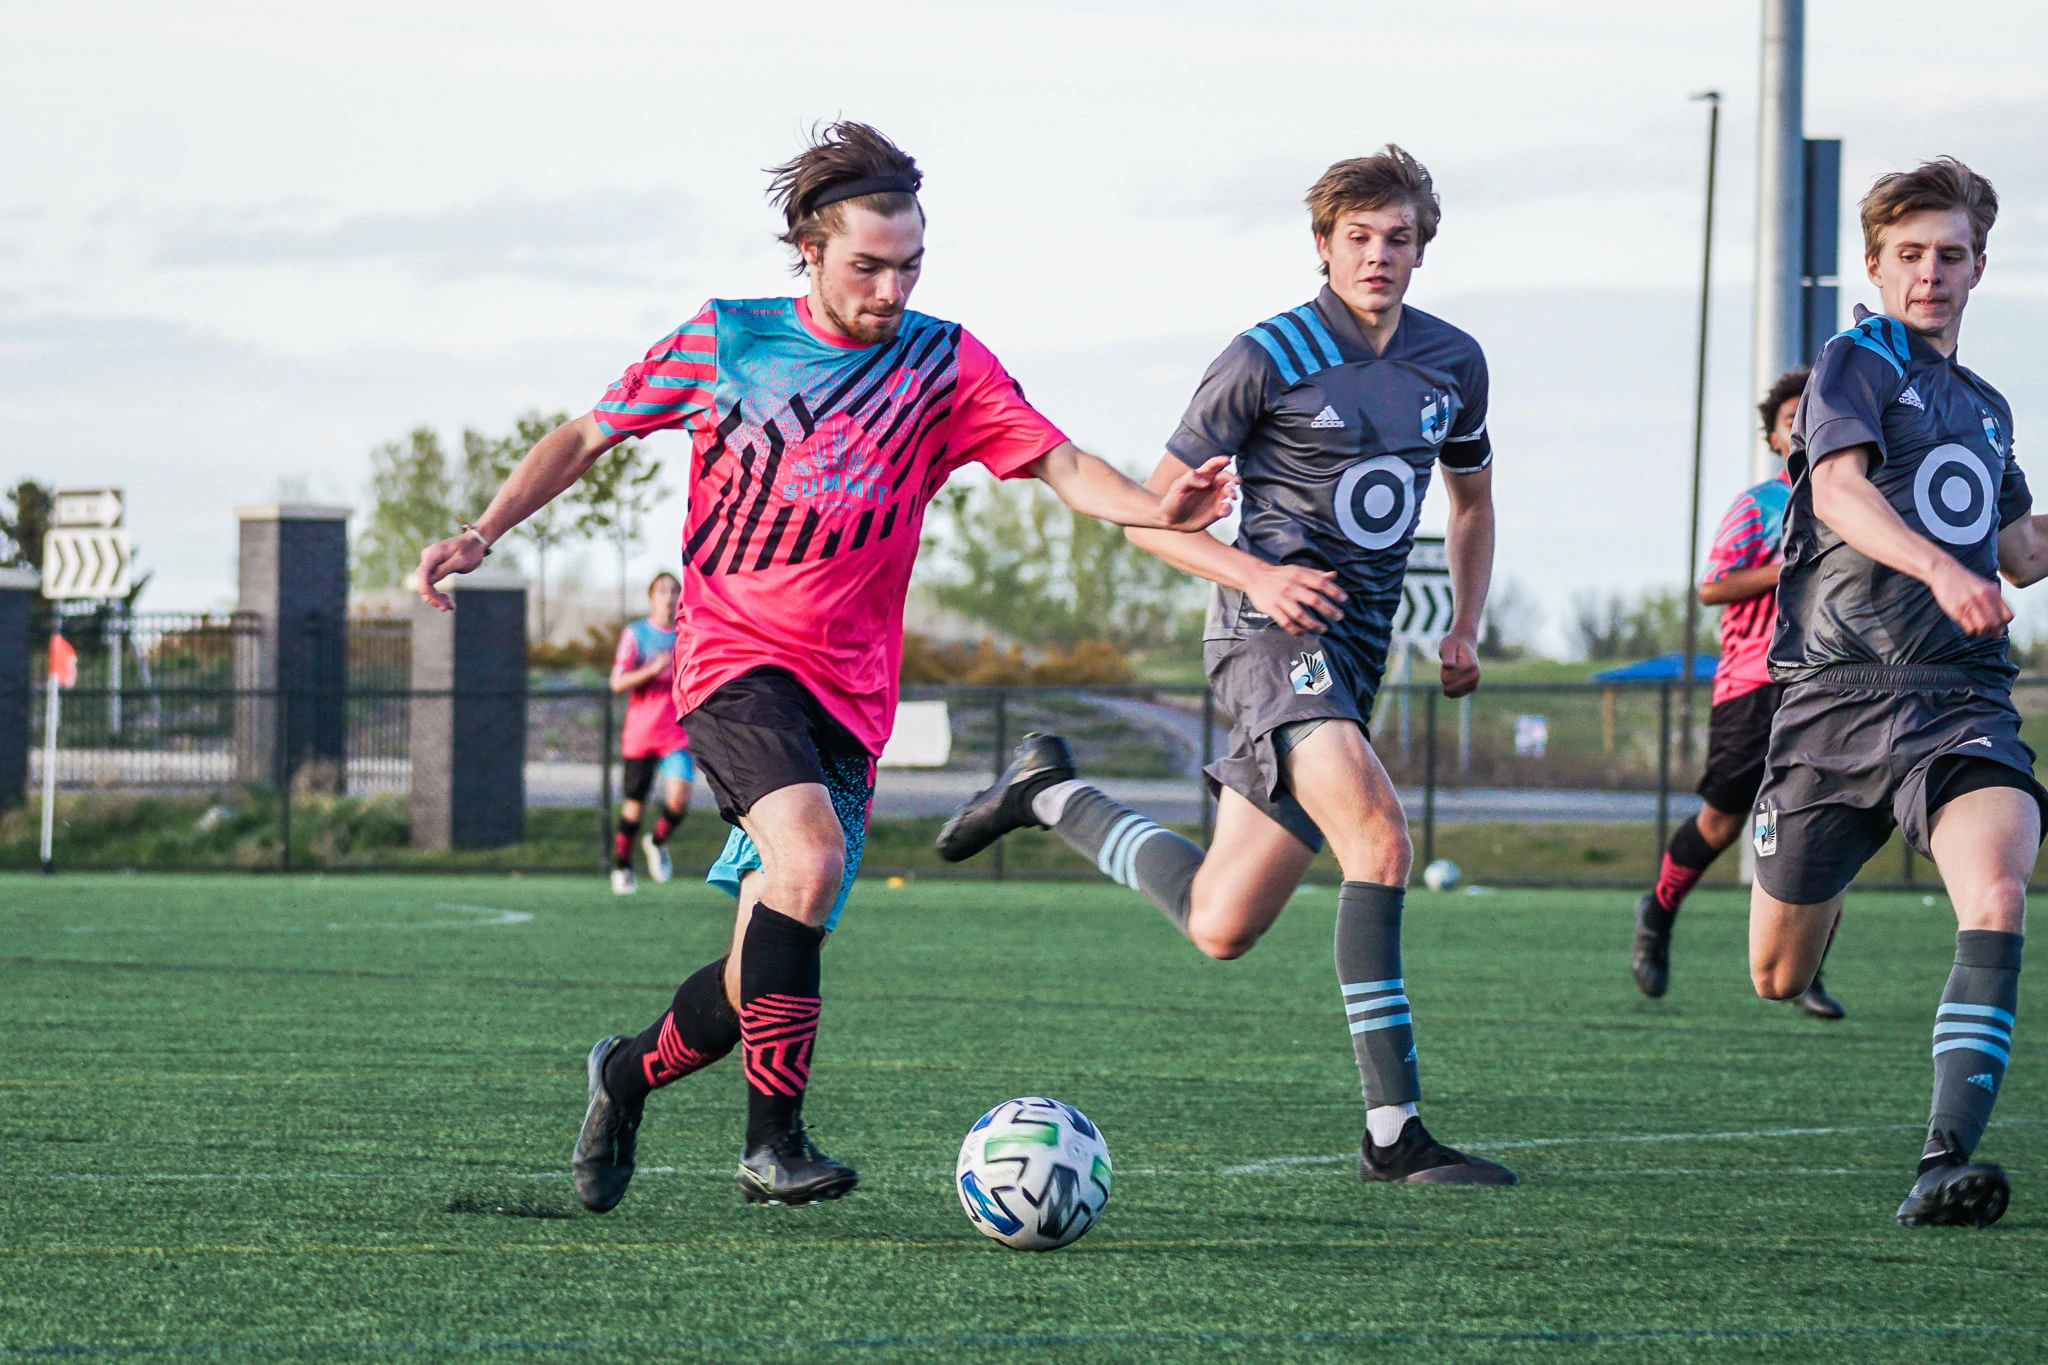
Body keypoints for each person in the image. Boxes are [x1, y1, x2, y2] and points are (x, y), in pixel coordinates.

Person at [412, 122, 1234, 1211]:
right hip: (732, 662)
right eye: (867, 266)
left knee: (760, 969)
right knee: (802, 863)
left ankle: (623, 1074)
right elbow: (584, 434)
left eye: (909, 266)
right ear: (807, 249)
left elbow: (1060, 463)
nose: (891, 289)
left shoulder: (944, 362)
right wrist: (483, 531)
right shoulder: (727, 340)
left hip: (850, 699)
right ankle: (772, 1144)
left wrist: (1154, 505)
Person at [937, 147, 1514, 1186]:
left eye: (1396, 238)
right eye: (1356, 237)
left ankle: (1049, 793)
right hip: (1265, 636)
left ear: (1422, 247)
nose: (1376, 255)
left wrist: (1463, 625)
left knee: (1219, 922)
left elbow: (1468, 503)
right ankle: (1394, 1136)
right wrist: (1261, 573)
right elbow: (1153, 521)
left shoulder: (1453, 361)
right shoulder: (1264, 354)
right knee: (1379, 839)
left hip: (1355, 650)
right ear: (1322, 244)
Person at [1745, 158, 2047, 1228]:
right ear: (1872, 267)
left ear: (1977, 266)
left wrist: (1983, 562)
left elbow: (2015, 549)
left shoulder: (1986, 407)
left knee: (1998, 889)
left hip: (1955, 698)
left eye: (1950, 256)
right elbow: (1834, 489)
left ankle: (1941, 1161)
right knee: (1775, 975)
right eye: (1909, 256)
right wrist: (1934, 566)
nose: (1930, 274)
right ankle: (1819, 903)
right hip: (1832, 698)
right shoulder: (1852, 361)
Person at [1630, 369, 1846, 1018]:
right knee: (1724, 817)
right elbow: (1711, 587)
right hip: (1755, 681)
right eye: (1789, 419)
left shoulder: (1860, 500)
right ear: (1777, 436)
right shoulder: (1757, 506)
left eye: (1813, 413)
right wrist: (1787, 568)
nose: (1800, 426)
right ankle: (1658, 911)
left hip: (1835, 686)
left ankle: (1808, 969)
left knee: (1829, 822)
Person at [607, 571, 694, 896]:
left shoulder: (688, 634)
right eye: (662, 591)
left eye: (674, 591)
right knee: (634, 807)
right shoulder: (637, 634)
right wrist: (652, 670)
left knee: (680, 798)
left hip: (676, 735)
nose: (669, 597)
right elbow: (617, 682)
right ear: (651, 597)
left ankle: (657, 842)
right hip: (641, 735)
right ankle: (622, 867)